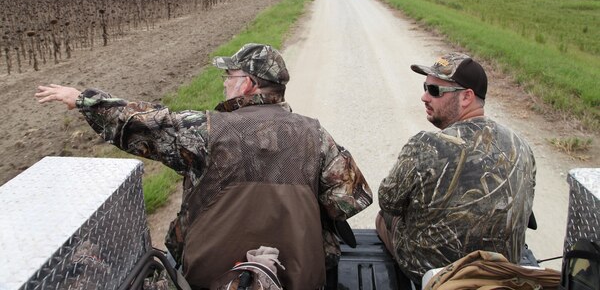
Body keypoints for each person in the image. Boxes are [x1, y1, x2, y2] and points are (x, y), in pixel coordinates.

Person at [36, 43, 373, 290]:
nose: (225, 82)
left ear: (249, 84)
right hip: (301, 279)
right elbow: (350, 198)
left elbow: (149, 124)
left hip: (210, 278)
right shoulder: (314, 133)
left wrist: (84, 100)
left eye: (230, 75)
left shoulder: (208, 130)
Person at [376, 52, 536, 285]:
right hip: (501, 272)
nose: (424, 97)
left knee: (385, 217)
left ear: (466, 97)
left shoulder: (426, 144)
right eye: (425, 87)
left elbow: (388, 200)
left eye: (434, 91)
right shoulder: (520, 145)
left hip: (436, 274)